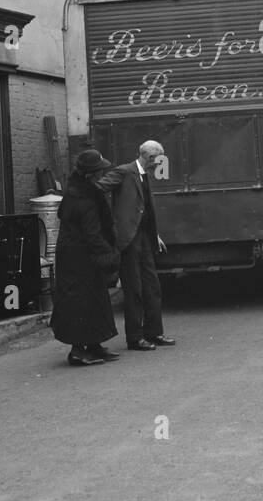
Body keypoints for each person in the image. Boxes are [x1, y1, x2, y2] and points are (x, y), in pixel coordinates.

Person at [99, 140, 175, 351]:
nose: (159, 163)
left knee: (152, 286)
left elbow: (145, 208)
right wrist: (111, 225)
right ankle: (135, 337)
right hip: (129, 240)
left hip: (144, 238)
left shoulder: (144, 175)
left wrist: (155, 234)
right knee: (134, 289)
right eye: (158, 159)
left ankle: (154, 332)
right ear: (150, 158)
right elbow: (99, 189)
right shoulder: (124, 172)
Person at [50, 149, 122, 366]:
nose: (102, 174)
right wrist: (109, 253)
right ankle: (78, 351)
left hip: (71, 256)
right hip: (82, 258)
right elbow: (92, 234)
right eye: (100, 171)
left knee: (91, 299)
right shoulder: (87, 200)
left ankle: (93, 345)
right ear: (92, 174)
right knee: (83, 302)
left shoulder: (73, 193)